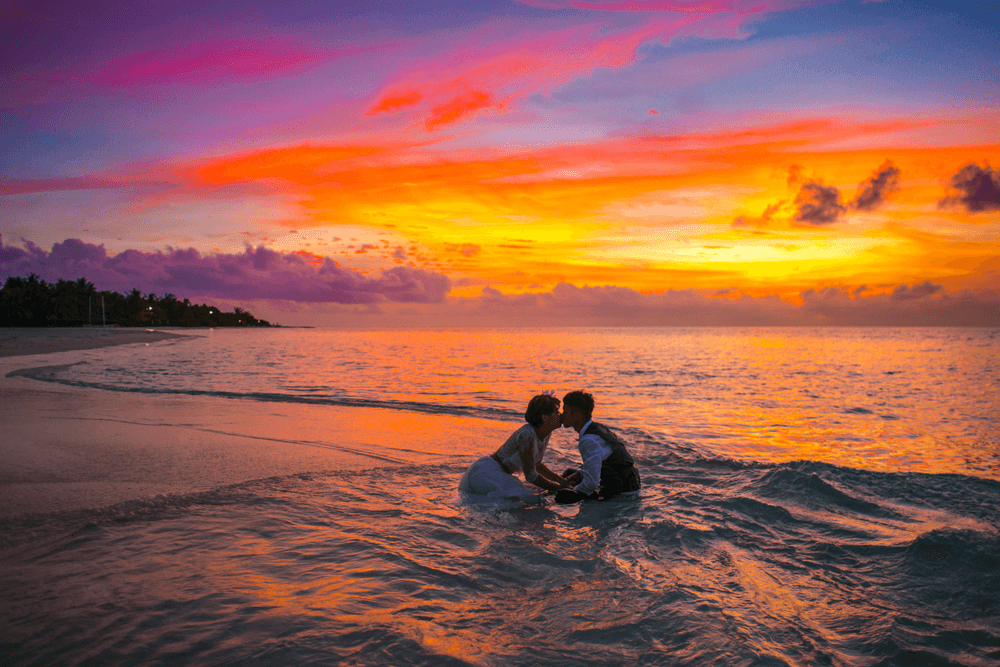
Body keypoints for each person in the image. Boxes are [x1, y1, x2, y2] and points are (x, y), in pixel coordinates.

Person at [459, 393, 572, 501]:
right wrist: (556, 488)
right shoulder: (527, 435)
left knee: (532, 497)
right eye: (556, 412)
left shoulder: (546, 433)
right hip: (489, 472)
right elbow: (530, 476)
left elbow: (537, 465)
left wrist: (561, 481)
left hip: (500, 473)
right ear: (545, 417)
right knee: (530, 499)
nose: (560, 415)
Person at [555, 390, 641, 503]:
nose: (562, 415)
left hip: (623, 492)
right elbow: (597, 463)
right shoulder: (596, 428)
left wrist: (572, 491)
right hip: (630, 483)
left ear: (577, 415)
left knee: (560, 496)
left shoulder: (589, 440)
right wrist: (579, 474)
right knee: (570, 473)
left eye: (565, 412)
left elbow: (591, 483)